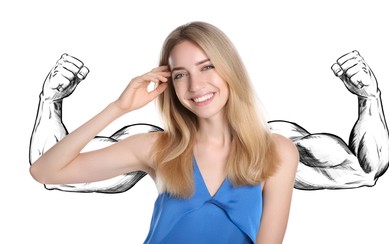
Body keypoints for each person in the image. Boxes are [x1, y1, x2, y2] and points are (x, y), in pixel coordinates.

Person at [30, 21, 300, 243]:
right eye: (181, 74)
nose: (196, 85)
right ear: (170, 83)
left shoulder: (277, 151)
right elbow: (45, 171)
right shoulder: (157, 147)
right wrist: (119, 107)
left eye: (207, 67)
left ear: (230, 69)